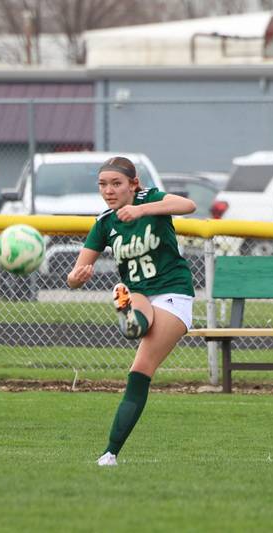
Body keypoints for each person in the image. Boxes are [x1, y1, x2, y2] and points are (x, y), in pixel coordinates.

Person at [66, 156, 197, 467]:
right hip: (139, 292)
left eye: (116, 183)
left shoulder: (149, 199)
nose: (109, 190)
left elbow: (188, 206)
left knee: (140, 371)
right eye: (103, 184)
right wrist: (75, 278)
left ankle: (110, 452)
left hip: (173, 292)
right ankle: (128, 312)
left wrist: (141, 209)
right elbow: (75, 275)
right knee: (136, 329)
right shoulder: (104, 223)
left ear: (132, 184)